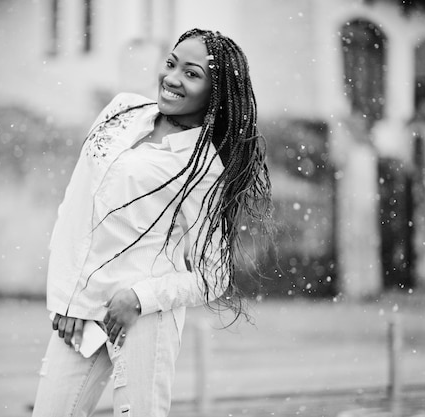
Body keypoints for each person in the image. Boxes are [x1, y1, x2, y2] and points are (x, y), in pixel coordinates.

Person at [31, 28, 274, 417]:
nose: (173, 78)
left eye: (192, 74)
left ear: (216, 94)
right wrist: (67, 298)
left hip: (143, 318)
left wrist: (140, 298)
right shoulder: (121, 111)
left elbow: (214, 275)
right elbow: (74, 208)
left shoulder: (205, 168)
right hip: (81, 311)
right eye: (171, 64)